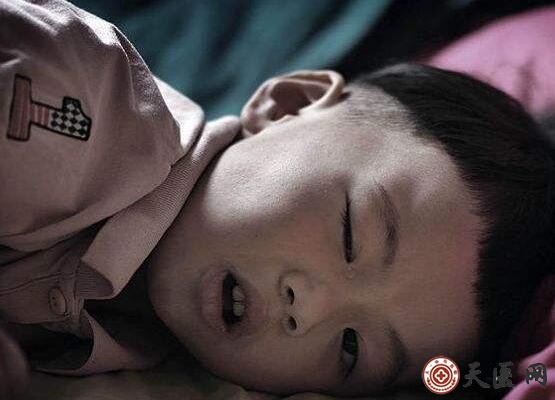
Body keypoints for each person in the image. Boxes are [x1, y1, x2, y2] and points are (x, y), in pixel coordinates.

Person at [1, 0, 553, 398]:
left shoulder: (133, 358)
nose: (307, 310)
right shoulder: (76, 103)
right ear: (288, 104)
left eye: (352, 349)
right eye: (349, 235)